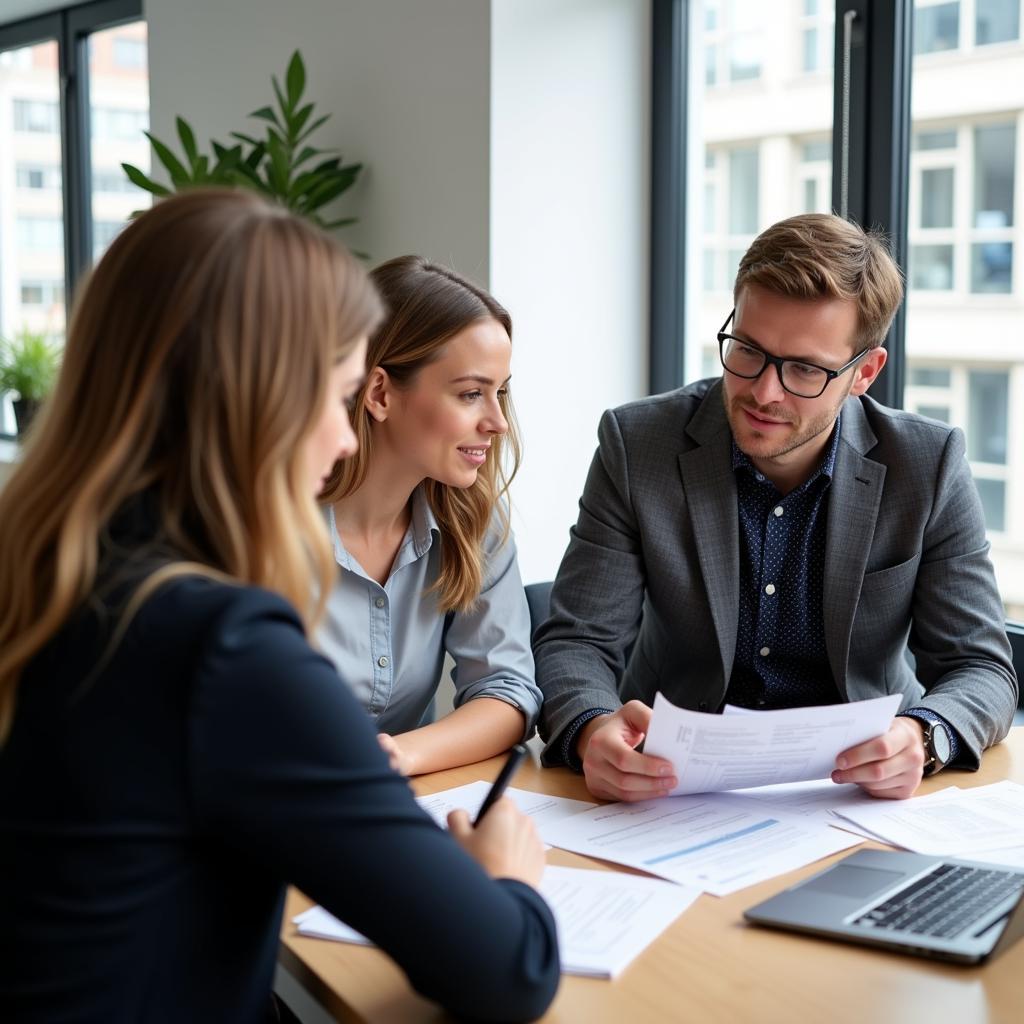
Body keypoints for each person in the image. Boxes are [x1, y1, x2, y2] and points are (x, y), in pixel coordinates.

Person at [0, 191, 558, 1023]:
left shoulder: (62, 563)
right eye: (335, 399)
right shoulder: (217, 642)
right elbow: (507, 971)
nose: (341, 441)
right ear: (252, 400)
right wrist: (507, 874)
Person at [535, 212, 1018, 804]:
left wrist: (925, 735)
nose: (764, 392)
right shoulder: (638, 445)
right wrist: (590, 728)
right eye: (748, 351)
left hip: (854, 796)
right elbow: (578, 643)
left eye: (804, 370)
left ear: (864, 372)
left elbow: (982, 668)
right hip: (669, 786)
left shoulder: (928, 463)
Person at [318, 255, 541, 775]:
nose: (497, 423)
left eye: (500, 393)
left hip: (396, 803)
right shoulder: (266, 524)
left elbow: (507, 690)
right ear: (379, 393)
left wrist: (399, 755)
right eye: (470, 394)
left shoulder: (473, 518)